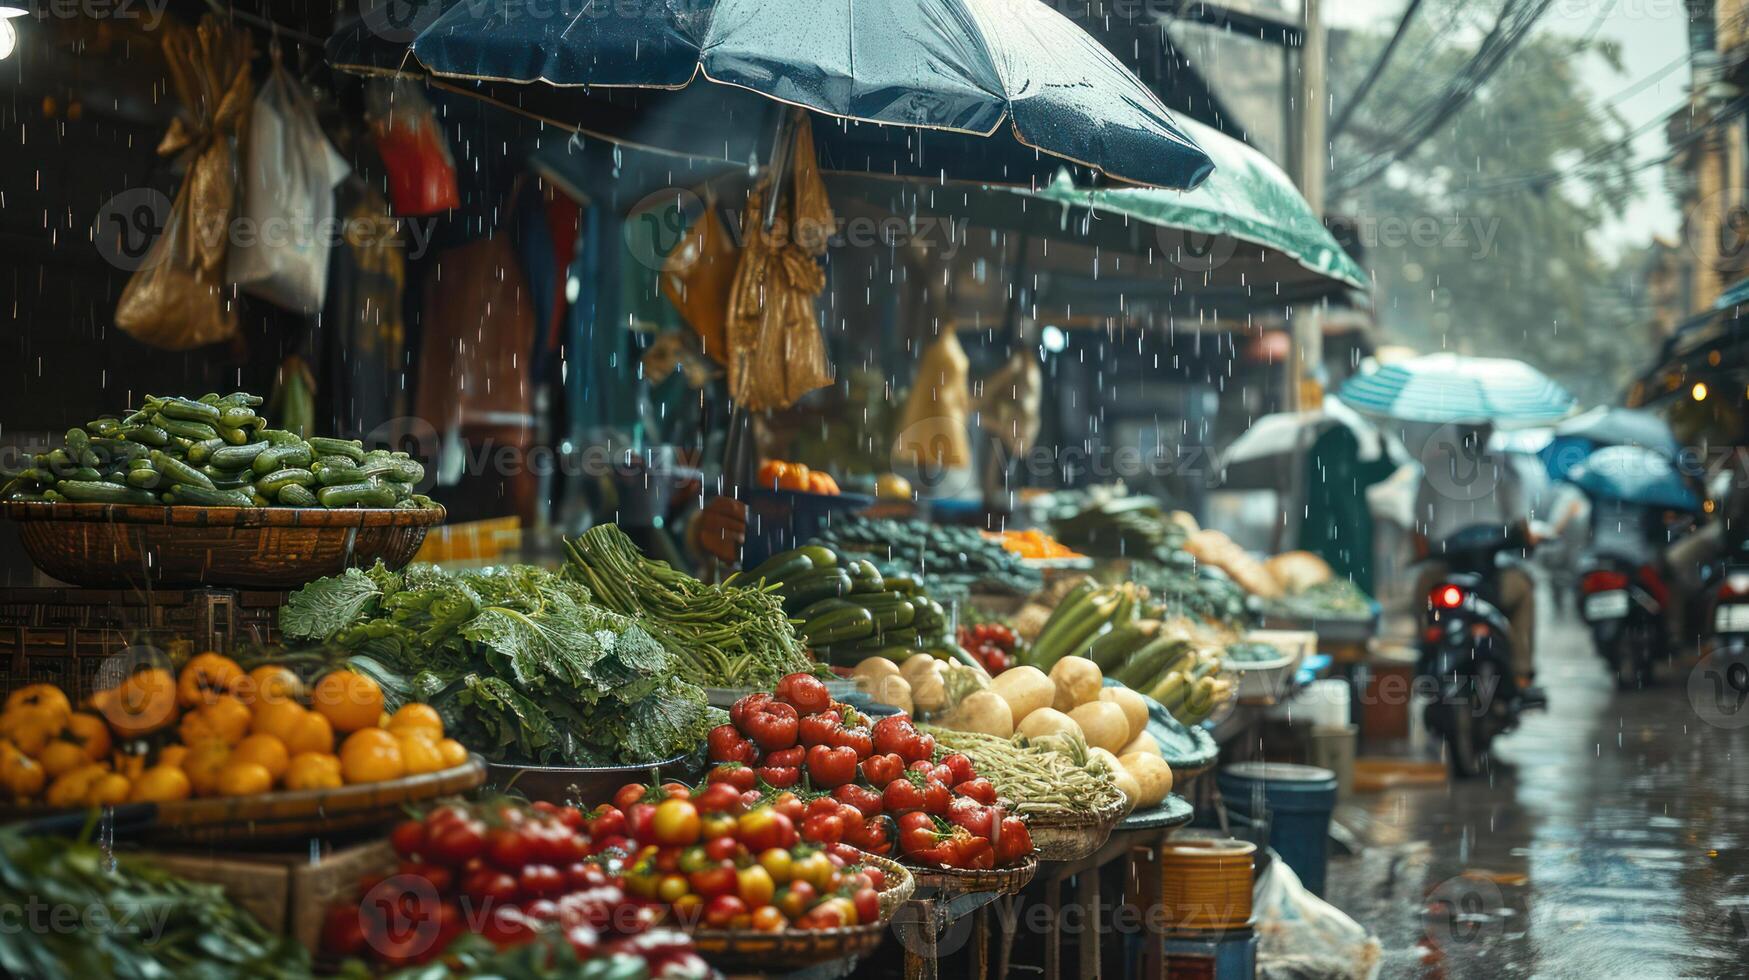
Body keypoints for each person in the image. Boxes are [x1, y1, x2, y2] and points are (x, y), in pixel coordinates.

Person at [1409, 422, 1539, 685]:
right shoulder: (1505, 467)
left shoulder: (1433, 468)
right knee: (1524, 592)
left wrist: (1425, 553)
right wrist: (1528, 543)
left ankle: (1424, 660)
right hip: (1491, 574)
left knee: (1423, 597)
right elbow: (1521, 524)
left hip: (1445, 574)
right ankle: (1521, 671)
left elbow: (1418, 532)